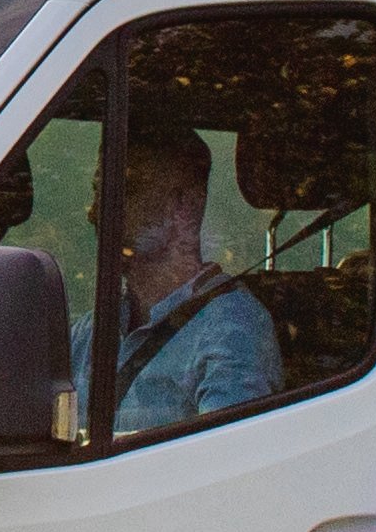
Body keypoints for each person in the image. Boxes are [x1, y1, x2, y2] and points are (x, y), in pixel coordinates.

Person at [100, 119, 282, 438]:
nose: (94, 211)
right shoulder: (93, 329)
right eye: (96, 192)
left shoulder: (231, 330)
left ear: (182, 207)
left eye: (123, 190)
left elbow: (221, 467)